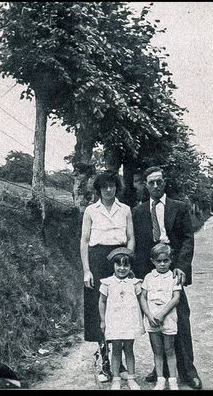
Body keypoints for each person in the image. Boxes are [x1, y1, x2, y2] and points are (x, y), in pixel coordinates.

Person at [132, 166, 203, 389]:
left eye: (159, 182)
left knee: (180, 317)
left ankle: (188, 372)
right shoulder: (139, 212)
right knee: (154, 318)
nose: (155, 186)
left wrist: (181, 266)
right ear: (145, 184)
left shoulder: (179, 208)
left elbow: (187, 239)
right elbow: (139, 246)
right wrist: (141, 276)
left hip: (172, 269)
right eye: (151, 182)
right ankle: (160, 368)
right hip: (150, 272)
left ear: (164, 183)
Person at [81, 171, 135, 382]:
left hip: (119, 259)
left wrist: (127, 260)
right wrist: (87, 270)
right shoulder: (90, 211)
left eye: (112, 186)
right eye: (104, 187)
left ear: (116, 187)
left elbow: (130, 238)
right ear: (99, 189)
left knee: (120, 307)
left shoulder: (126, 210)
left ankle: (119, 362)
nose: (108, 190)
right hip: (97, 259)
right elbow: (84, 241)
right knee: (99, 308)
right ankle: (105, 362)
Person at [99, 247, 144, 390]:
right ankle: (116, 379)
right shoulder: (107, 283)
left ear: (130, 266)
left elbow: (141, 300)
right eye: (119, 264)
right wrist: (103, 320)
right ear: (113, 265)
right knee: (117, 349)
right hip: (115, 321)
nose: (122, 268)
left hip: (129, 320)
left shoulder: (135, 283)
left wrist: (143, 318)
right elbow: (102, 301)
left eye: (126, 265)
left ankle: (131, 378)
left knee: (129, 349)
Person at [140, 243, 182, 390]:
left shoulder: (173, 277)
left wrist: (163, 313)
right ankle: (160, 379)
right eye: (159, 261)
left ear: (171, 260)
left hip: (168, 317)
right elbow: (143, 297)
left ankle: (173, 380)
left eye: (166, 260)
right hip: (152, 318)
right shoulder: (148, 277)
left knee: (169, 350)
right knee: (157, 351)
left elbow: (176, 298)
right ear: (153, 261)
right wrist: (149, 315)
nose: (163, 264)